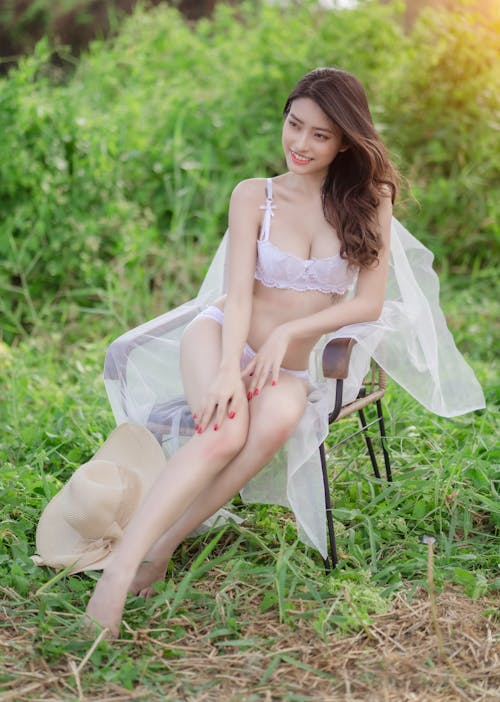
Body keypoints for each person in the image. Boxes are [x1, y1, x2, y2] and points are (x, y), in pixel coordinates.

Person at [83, 67, 484, 636]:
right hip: (222, 335)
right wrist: (228, 367)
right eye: (294, 125)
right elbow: (238, 295)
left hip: (289, 362)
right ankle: (119, 573)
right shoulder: (255, 195)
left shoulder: (371, 201)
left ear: (345, 139)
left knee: (274, 422)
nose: (300, 144)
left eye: (320, 134)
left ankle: (163, 545)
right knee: (223, 431)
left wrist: (284, 337)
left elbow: (367, 304)